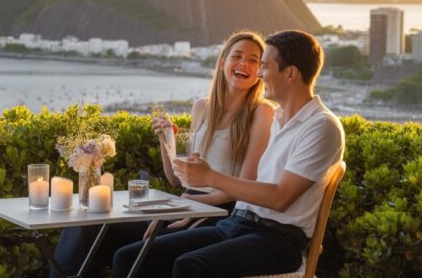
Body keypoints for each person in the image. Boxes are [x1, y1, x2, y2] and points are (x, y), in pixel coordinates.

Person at [112, 30, 345, 278]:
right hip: (236, 223)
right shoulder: (278, 119)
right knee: (129, 258)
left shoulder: (321, 126)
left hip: (277, 239)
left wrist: (210, 177)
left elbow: (280, 198)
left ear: (290, 73)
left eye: (264, 66)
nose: (258, 74)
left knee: (189, 265)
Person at [49, 31, 274, 278]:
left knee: (132, 254)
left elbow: (246, 184)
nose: (244, 64)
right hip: (186, 205)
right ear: (222, 62)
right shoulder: (202, 107)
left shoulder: (261, 112)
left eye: (253, 60)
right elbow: (177, 179)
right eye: (237, 56)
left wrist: (188, 206)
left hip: (218, 213)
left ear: (260, 71)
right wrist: (166, 141)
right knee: (89, 224)